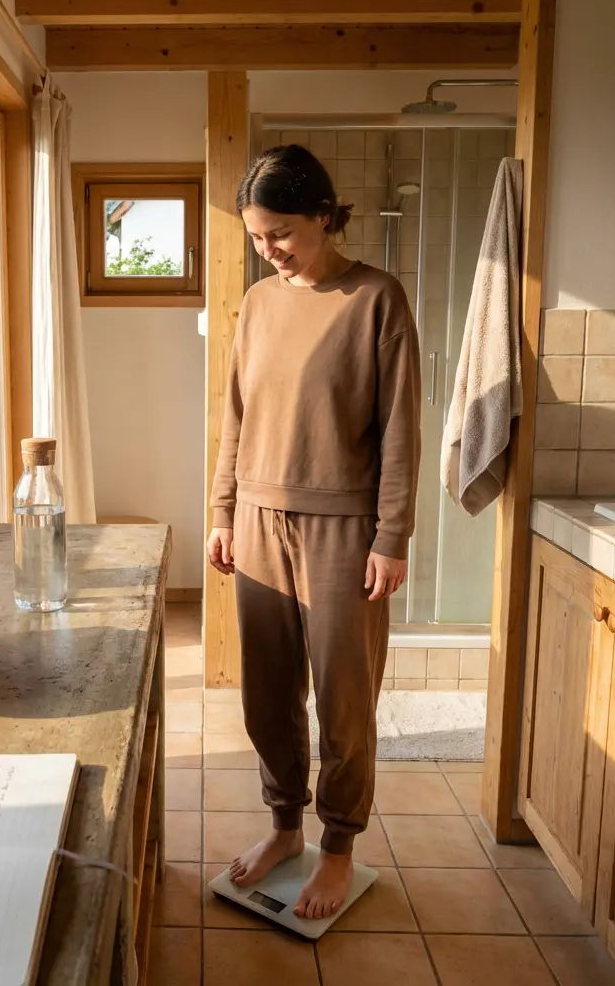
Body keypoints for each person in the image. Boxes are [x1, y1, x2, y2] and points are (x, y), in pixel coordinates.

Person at [207, 143, 422, 920]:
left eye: (283, 233)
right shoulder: (260, 304)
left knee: (344, 699)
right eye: (258, 237)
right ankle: (284, 829)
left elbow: (401, 430)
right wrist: (223, 511)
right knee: (268, 694)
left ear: (326, 216)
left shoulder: (376, 299)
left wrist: (391, 535)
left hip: (344, 528)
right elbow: (235, 414)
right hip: (259, 520)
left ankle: (337, 848)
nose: (270, 251)